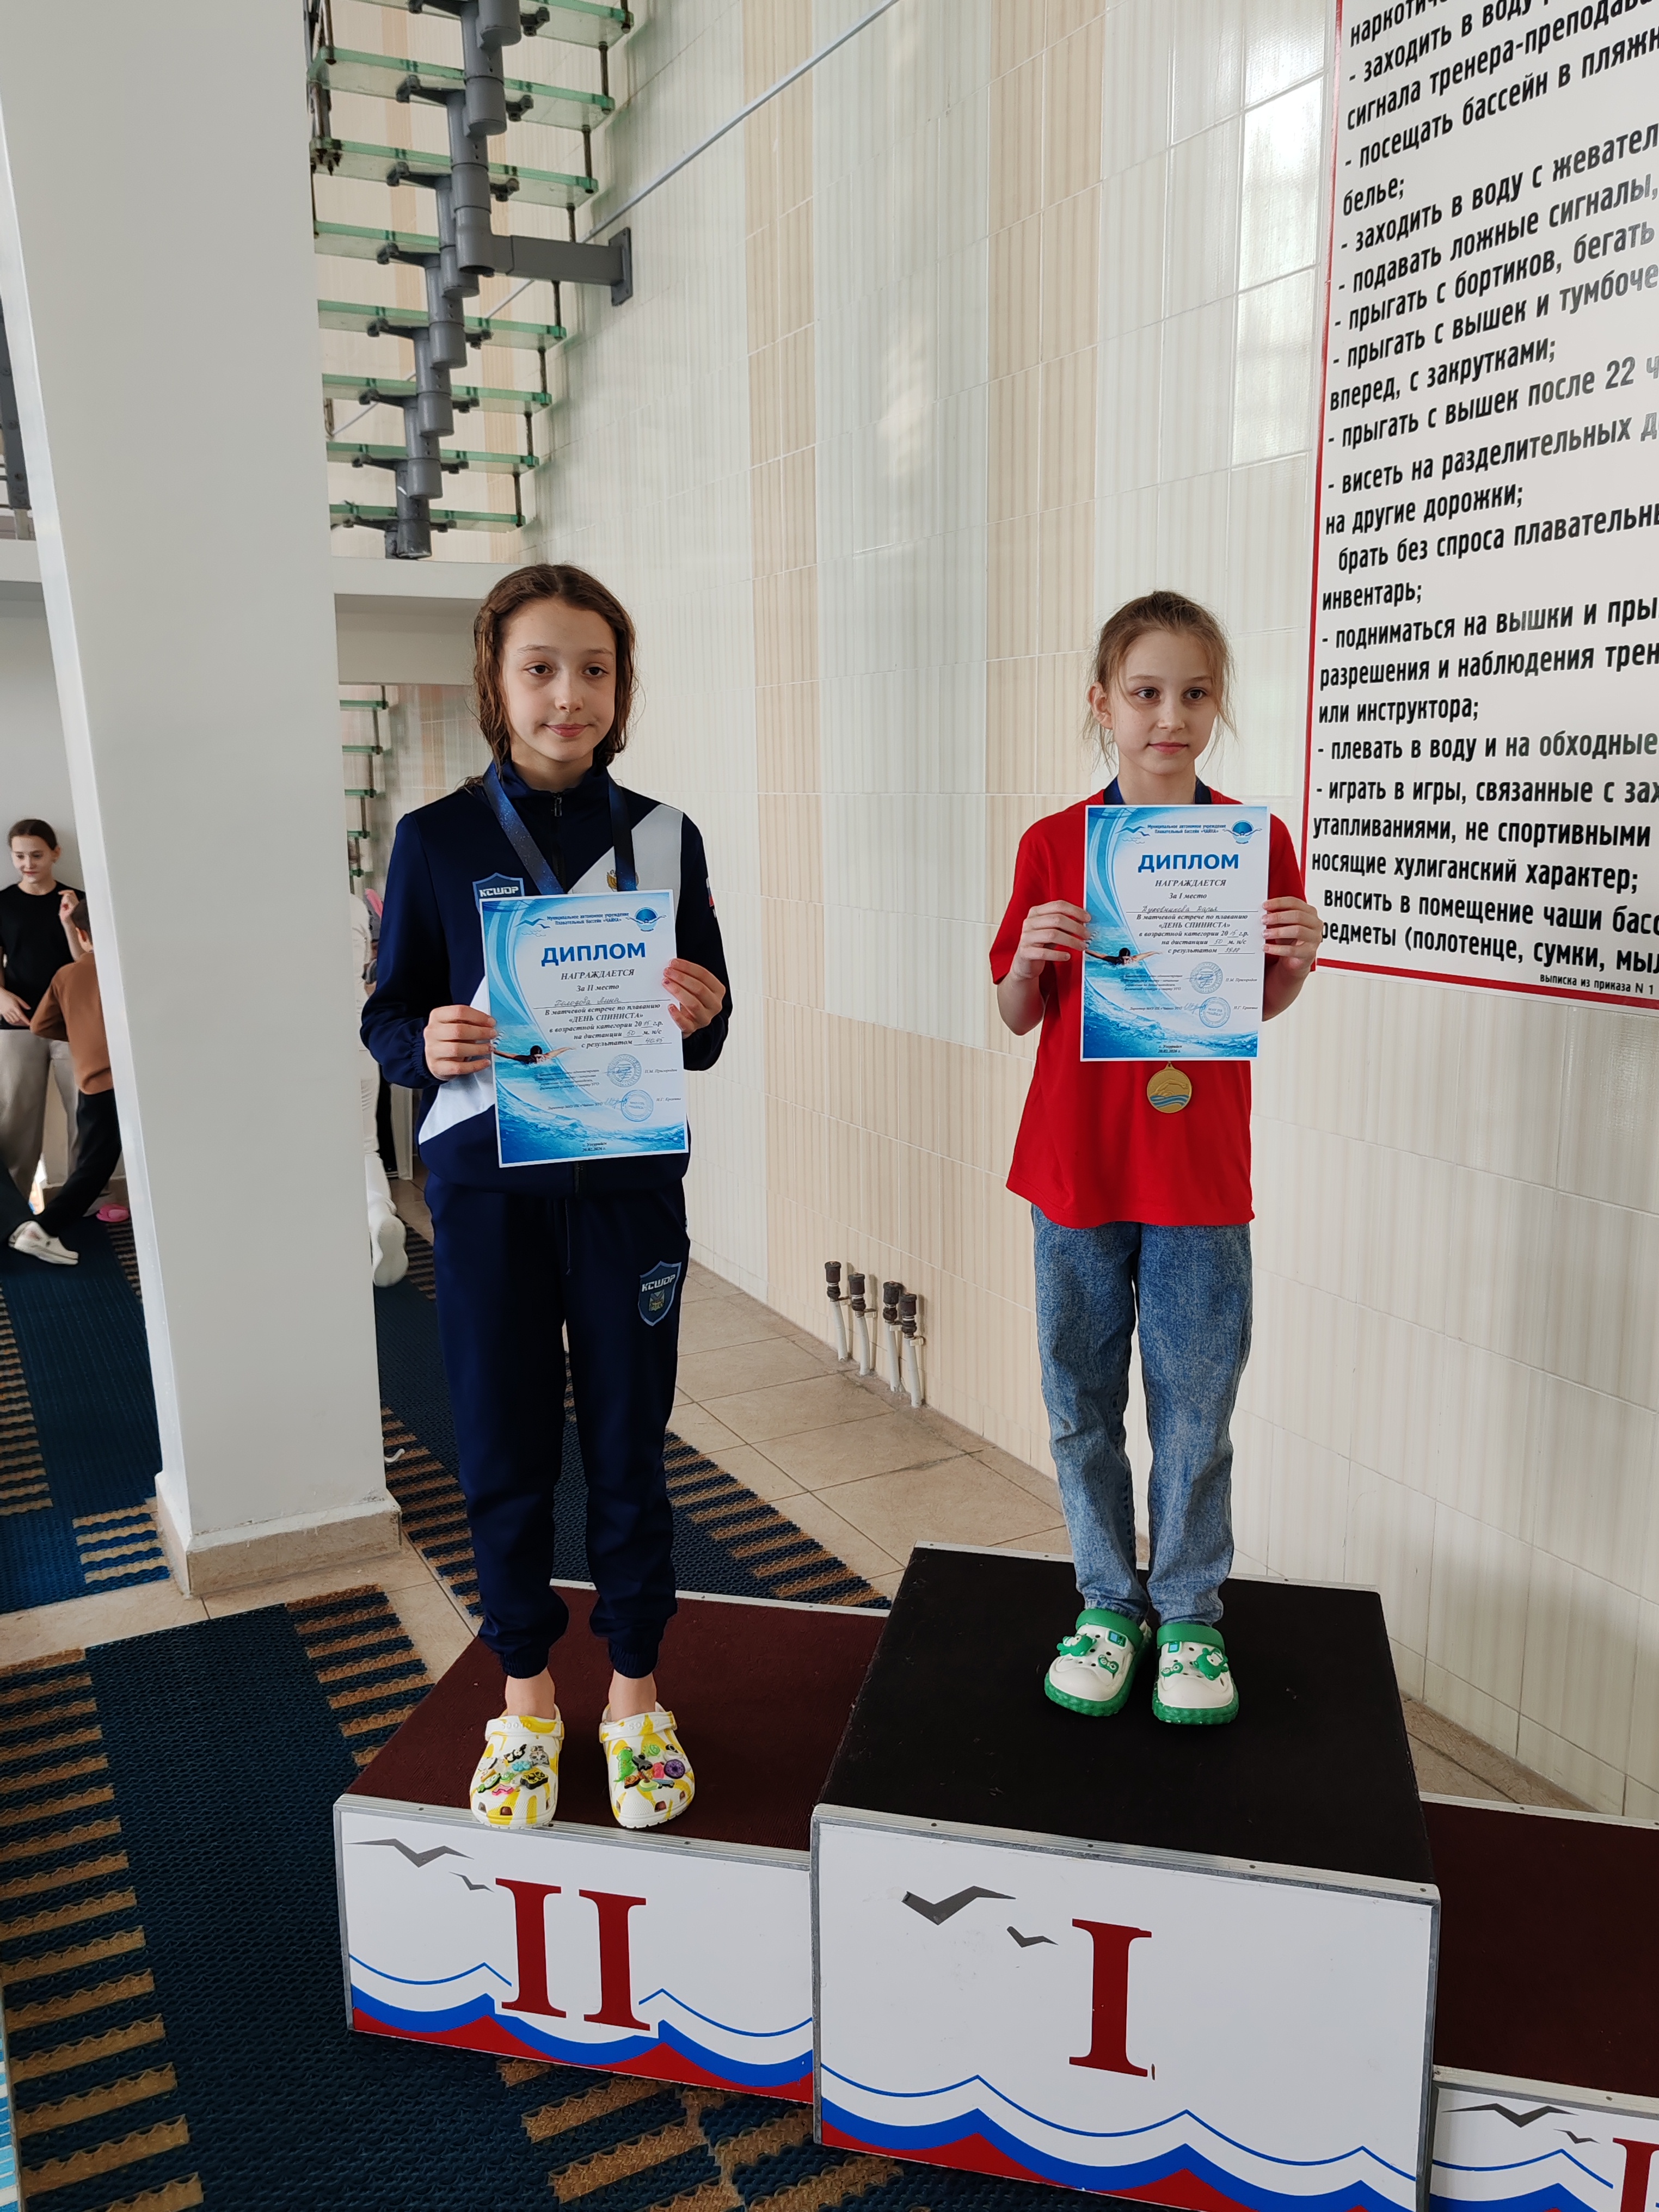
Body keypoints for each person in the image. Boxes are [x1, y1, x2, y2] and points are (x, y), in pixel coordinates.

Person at [363, 562, 730, 1833]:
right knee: (503, 1441)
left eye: (594, 668)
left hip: (627, 1188)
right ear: (496, 680)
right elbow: (387, 1017)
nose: (568, 693)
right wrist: (427, 1043)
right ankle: (524, 1694)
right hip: (486, 1193)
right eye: (540, 667)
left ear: (620, 686)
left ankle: (633, 1692)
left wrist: (703, 1009)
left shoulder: (667, 835)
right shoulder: (437, 839)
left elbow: (704, 1029)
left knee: (630, 1442)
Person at [990, 592, 1323, 1728]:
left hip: (1196, 1173)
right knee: (1080, 1399)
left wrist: (1295, 962)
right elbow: (1016, 1011)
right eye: (1145, 693)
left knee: (1195, 1402)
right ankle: (1105, 1601)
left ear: (1217, 705)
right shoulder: (1053, 844)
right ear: (1102, 703)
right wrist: (1028, 960)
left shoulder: (1253, 844)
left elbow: (1247, 1008)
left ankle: (1186, 1612)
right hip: (1075, 1166)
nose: (1168, 716)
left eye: (1193, 693)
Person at [11, 901, 121, 1266]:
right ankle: (43, 1229)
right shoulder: (124, 968)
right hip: (122, 1080)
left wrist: (81, 1035)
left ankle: (43, 1227)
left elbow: (41, 1025)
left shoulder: (67, 975)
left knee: (94, 1160)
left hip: (92, 1081)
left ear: (82, 934)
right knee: (97, 1165)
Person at [0, 821, 82, 1200]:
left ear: (55, 853)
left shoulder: (77, 901)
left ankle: (84, 1197)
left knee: (83, 1111)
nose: (28, 864)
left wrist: (69, 922)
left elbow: (85, 963)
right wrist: (1, 996)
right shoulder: (3, 904)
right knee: (16, 1116)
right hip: (18, 1021)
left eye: (36, 855)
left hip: (73, 1021)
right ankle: (14, 1206)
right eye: (20, 856)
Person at [350, 893, 408, 1288]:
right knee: (365, 1147)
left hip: (303, 1045)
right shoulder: (354, 906)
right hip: (357, 1036)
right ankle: (378, 1215)